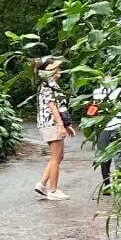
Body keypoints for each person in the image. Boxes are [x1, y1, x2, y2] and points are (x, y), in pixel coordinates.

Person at [34, 58, 76, 201]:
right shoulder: (49, 85)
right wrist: (60, 125)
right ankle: (53, 189)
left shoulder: (50, 84)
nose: (60, 69)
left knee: (57, 156)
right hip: (50, 123)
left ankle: (42, 183)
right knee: (56, 157)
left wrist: (67, 125)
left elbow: (59, 106)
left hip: (50, 123)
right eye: (56, 67)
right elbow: (52, 106)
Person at [88, 82, 121, 193]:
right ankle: (110, 184)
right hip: (106, 126)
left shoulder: (118, 91)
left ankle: (115, 184)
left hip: (114, 126)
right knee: (106, 157)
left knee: (117, 157)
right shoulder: (100, 92)